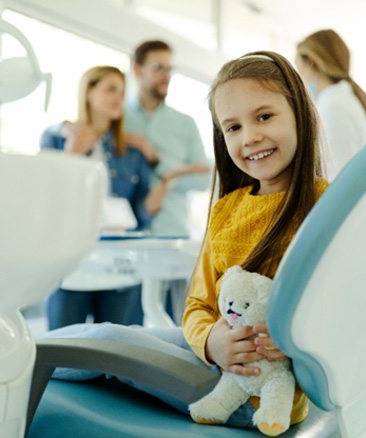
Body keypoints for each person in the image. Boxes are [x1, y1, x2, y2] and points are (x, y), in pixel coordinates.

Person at [42, 50, 328, 430]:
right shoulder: (227, 209)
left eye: (264, 116)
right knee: (121, 334)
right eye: (233, 127)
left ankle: (20, 360)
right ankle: (24, 355)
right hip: (215, 355)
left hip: (248, 394)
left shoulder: (325, 205)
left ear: (299, 114)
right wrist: (211, 341)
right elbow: (197, 304)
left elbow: (340, 308)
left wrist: (295, 342)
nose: (250, 136)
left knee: (109, 340)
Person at [41, 65, 153, 329]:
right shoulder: (57, 138)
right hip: (71, 260)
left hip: (120, 260)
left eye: (123, 91)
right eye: (110, 89)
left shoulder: (132, 152)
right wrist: (72, 154)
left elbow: (140, 213)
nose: (119, 98)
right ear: (88, 92)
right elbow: (47, 197)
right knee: (64, 352)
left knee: (118, 352)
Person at [125, 39, 211, 237]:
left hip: (172, 232)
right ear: (138, 70)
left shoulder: (185, 123)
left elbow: (203, 179)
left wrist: (158, 162)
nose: (167, 76)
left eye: (170, 69)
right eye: (158, 68)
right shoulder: (118, 121)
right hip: (123, 234)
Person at [295, 29, 366, 181]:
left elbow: (338, 174)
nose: (302, 79)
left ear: (311, 62)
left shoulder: (334, 107)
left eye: (300, 70)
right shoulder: (338, 99)